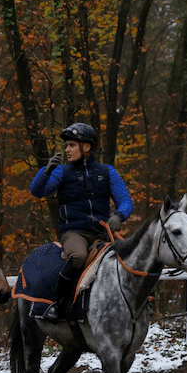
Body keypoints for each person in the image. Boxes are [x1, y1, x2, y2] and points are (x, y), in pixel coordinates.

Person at [30, 122, 133, 322]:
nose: (67, 150)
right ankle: (57, 304)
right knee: (78, 256)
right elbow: (37, 191)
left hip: (102, 232)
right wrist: (45, 172)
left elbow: (125, 201)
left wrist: (118, 216)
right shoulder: (61, 172)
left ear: (86, 147)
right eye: (66, 145)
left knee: (128, 257)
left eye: (71, 145)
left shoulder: (108, 172)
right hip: (74, 233)